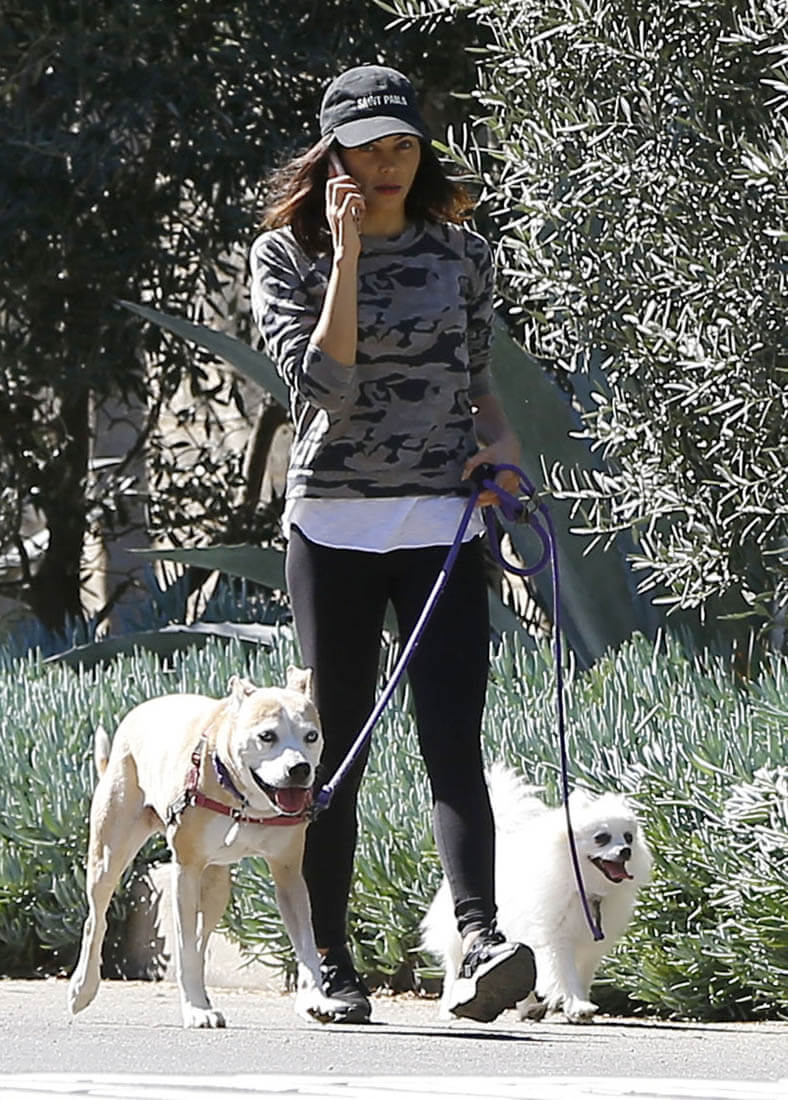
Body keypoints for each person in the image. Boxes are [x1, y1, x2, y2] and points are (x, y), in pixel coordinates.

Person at [249, 64, 535, 1024]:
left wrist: (503, 448)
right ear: (333, 157)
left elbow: (478, 381)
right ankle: (327, 960)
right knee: (336, 751)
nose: (388, 163)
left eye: (403, 144)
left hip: (442, 523)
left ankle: (479, 943)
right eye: (368, 147)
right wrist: (344, 258)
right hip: (333, 525)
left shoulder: (463, 253)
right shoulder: (284, 255)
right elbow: (320, 388)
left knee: (453, 739)